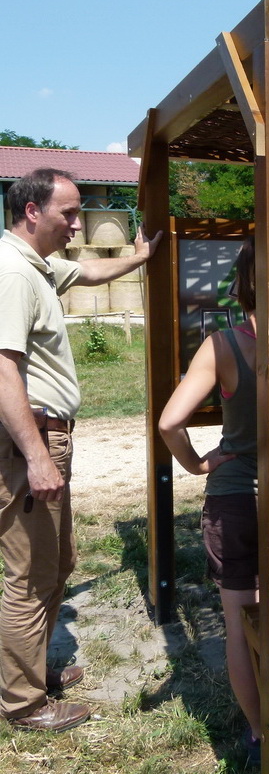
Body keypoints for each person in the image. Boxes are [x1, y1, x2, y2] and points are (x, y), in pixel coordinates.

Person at [0, 168, 162, 731]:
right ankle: (23, 702)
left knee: (59, 560)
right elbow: (3, 371)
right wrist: (37, 456)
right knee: (30, 574)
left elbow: (92, 270)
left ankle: (33, 667)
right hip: (31, 442)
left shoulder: (40, 267)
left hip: (46, 437)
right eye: (68, 213)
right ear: (31, 212)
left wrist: (139, 258)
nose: (77, 223)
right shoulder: (13, 275)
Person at [158, 238, 260, 765]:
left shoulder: (224, 345)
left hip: (235, 499)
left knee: (240, 627)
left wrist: (197, 464)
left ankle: (261, 733)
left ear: (240, 284)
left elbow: (170, 422)